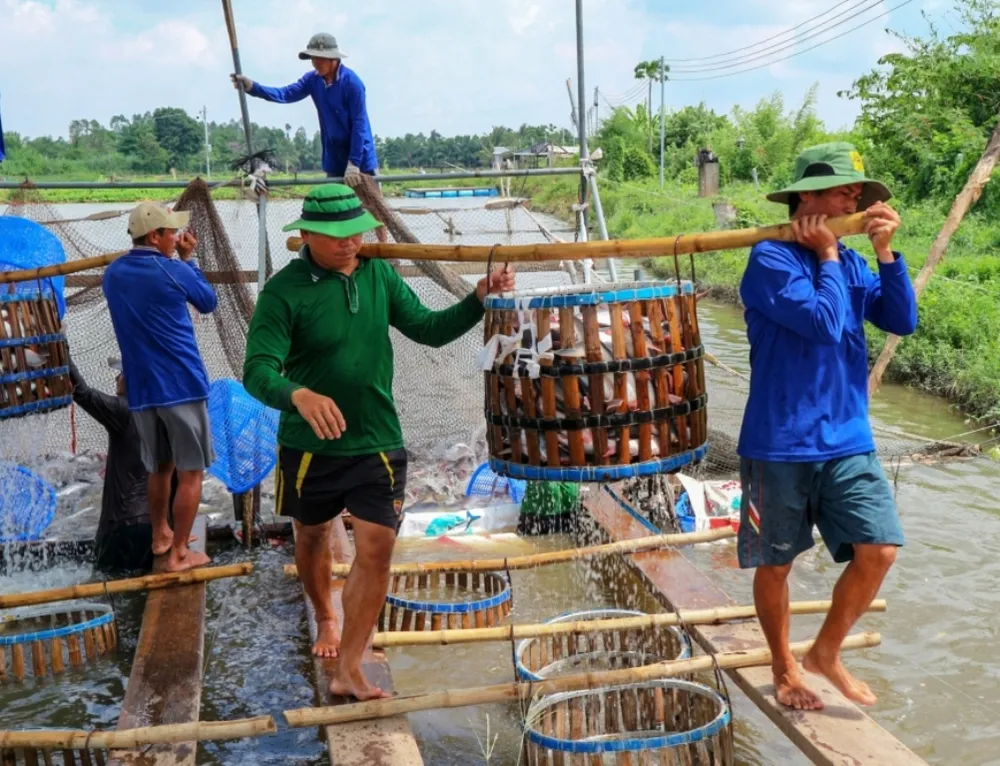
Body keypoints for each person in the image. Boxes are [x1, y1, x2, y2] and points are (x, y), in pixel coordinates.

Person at [243, 183, 514, 700]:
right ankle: (325, 613)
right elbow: (257, 370)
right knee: (312, 536)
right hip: (310, 446)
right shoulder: (284, 292)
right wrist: (297, 394)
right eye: (337, 236)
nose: (351, 244)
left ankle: (349, 665)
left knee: (378, 548)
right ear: (305, 236)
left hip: (377, 439)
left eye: (357, 233)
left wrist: (478, 298)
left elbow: (430, 330)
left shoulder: (381, 274)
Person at [736, 142, 918, 711]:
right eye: (844, 191)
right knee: (777, 562)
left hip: (846, 438)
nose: (855, 200)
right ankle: (783, 663)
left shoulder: (855, 261)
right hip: (780, 442)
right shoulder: (771, 259)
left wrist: (886, 255)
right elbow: (822, 322)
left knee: (880, 550)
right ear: (807, 198)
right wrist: (831, 257)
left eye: (858, 194)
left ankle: (824, 653)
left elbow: (901, 319)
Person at [103, 202, 218, 573]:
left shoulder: (113, 273)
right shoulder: (171, 269)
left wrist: (177, 258)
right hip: (181, 384)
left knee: (160, 468)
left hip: (142, 390)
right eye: (172, 234)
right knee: (192, 472)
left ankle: (162, 535)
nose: (177, 239)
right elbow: (207, 300)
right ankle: (180, 554)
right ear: (155, 236)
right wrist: (189, 260)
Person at [68, 357, 180, 572]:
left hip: (123, 525)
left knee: (109, 589)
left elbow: (82, 393)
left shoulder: (125, 410)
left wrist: (62, 350)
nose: (117, 377)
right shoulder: (167, 412)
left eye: (122, 373)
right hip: (157, 525)